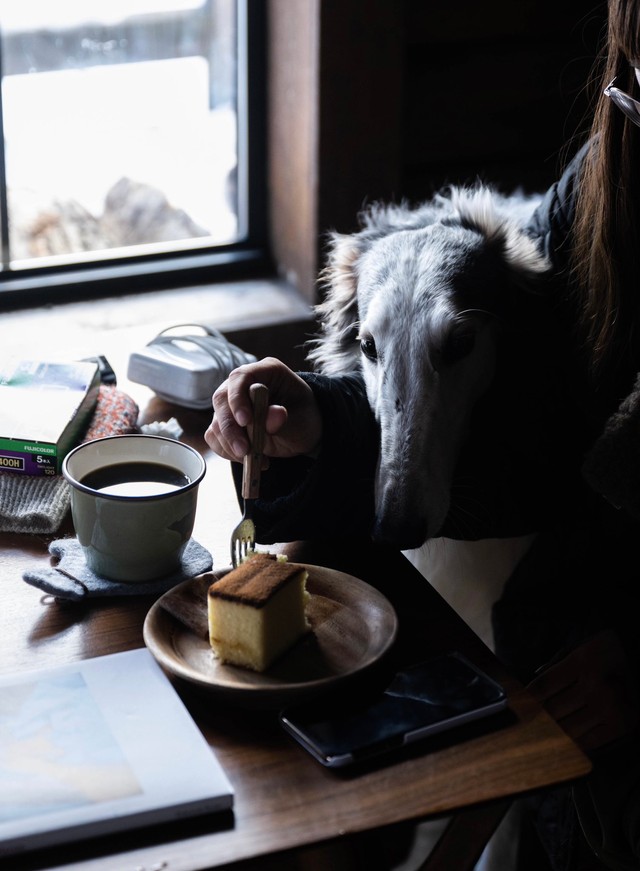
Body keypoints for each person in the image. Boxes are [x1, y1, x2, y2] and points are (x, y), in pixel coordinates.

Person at [206, 1, 640, 867]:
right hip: (549, 688)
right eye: (633, 83)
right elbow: (531, 431)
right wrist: (320, 423)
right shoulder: (620, 153)